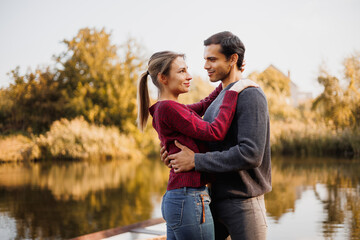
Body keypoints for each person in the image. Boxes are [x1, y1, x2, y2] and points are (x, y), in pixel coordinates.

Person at [161, 32, 272, 240]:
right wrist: (175, 153)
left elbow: (251, 154)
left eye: (212, 59)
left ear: (232, 59)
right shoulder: (220, 96)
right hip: (212, 201)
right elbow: (210, 140)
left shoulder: (250, 95)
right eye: (205, 59)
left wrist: (195, 160)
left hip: (244, 205)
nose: (205, 66)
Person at [137, 50, 258, 240]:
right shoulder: (169, 108)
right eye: (182, 71)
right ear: (163, 78)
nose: (189, 76)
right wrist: (234, 92)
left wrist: (227, 81)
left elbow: (204, 104)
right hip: (189, 197)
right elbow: (214, 131)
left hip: (181, 198)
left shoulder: (169, 108)